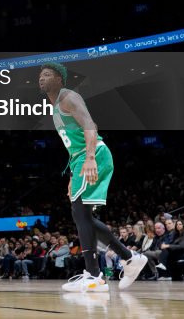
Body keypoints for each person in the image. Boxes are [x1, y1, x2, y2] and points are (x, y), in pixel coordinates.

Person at [38, 63, 146, 292]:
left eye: (47, 75)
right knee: (82, 215)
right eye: (40, 75)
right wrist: (72, 173)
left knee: (79, 213)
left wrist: (89, 159)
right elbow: (73, 143)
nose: (41, 78)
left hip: (93, 153)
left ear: (60, 79)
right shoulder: (54, 104)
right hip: (79, 159)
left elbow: (89, 124)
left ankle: (95, 274)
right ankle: (128, 259)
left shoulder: (68, 97)